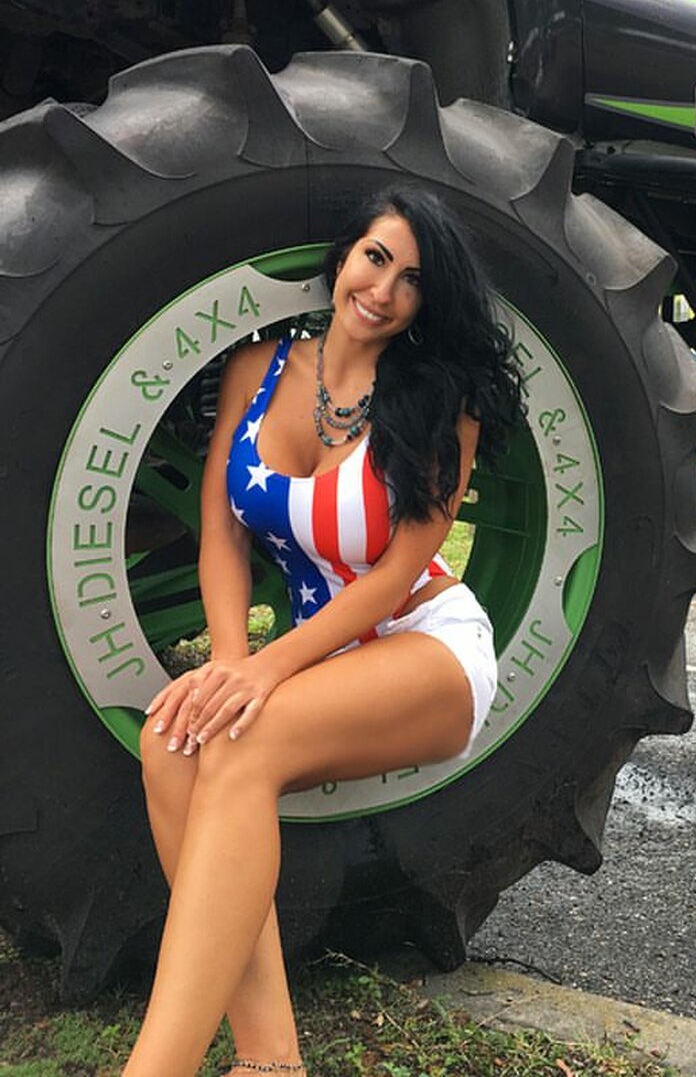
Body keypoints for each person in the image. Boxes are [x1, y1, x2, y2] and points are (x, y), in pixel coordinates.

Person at [125, 186, 524, 1076]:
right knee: (173, 741)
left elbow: (391, 575)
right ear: (345, 257)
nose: (383, 291)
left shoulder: (440, 402)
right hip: (317, 655)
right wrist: (230, 664)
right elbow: (222, 532)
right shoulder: (258, 369)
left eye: (412, 280)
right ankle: (270, 1060)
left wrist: (264, 672)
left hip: (423, 642)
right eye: (376, 259)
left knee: (241, 741)